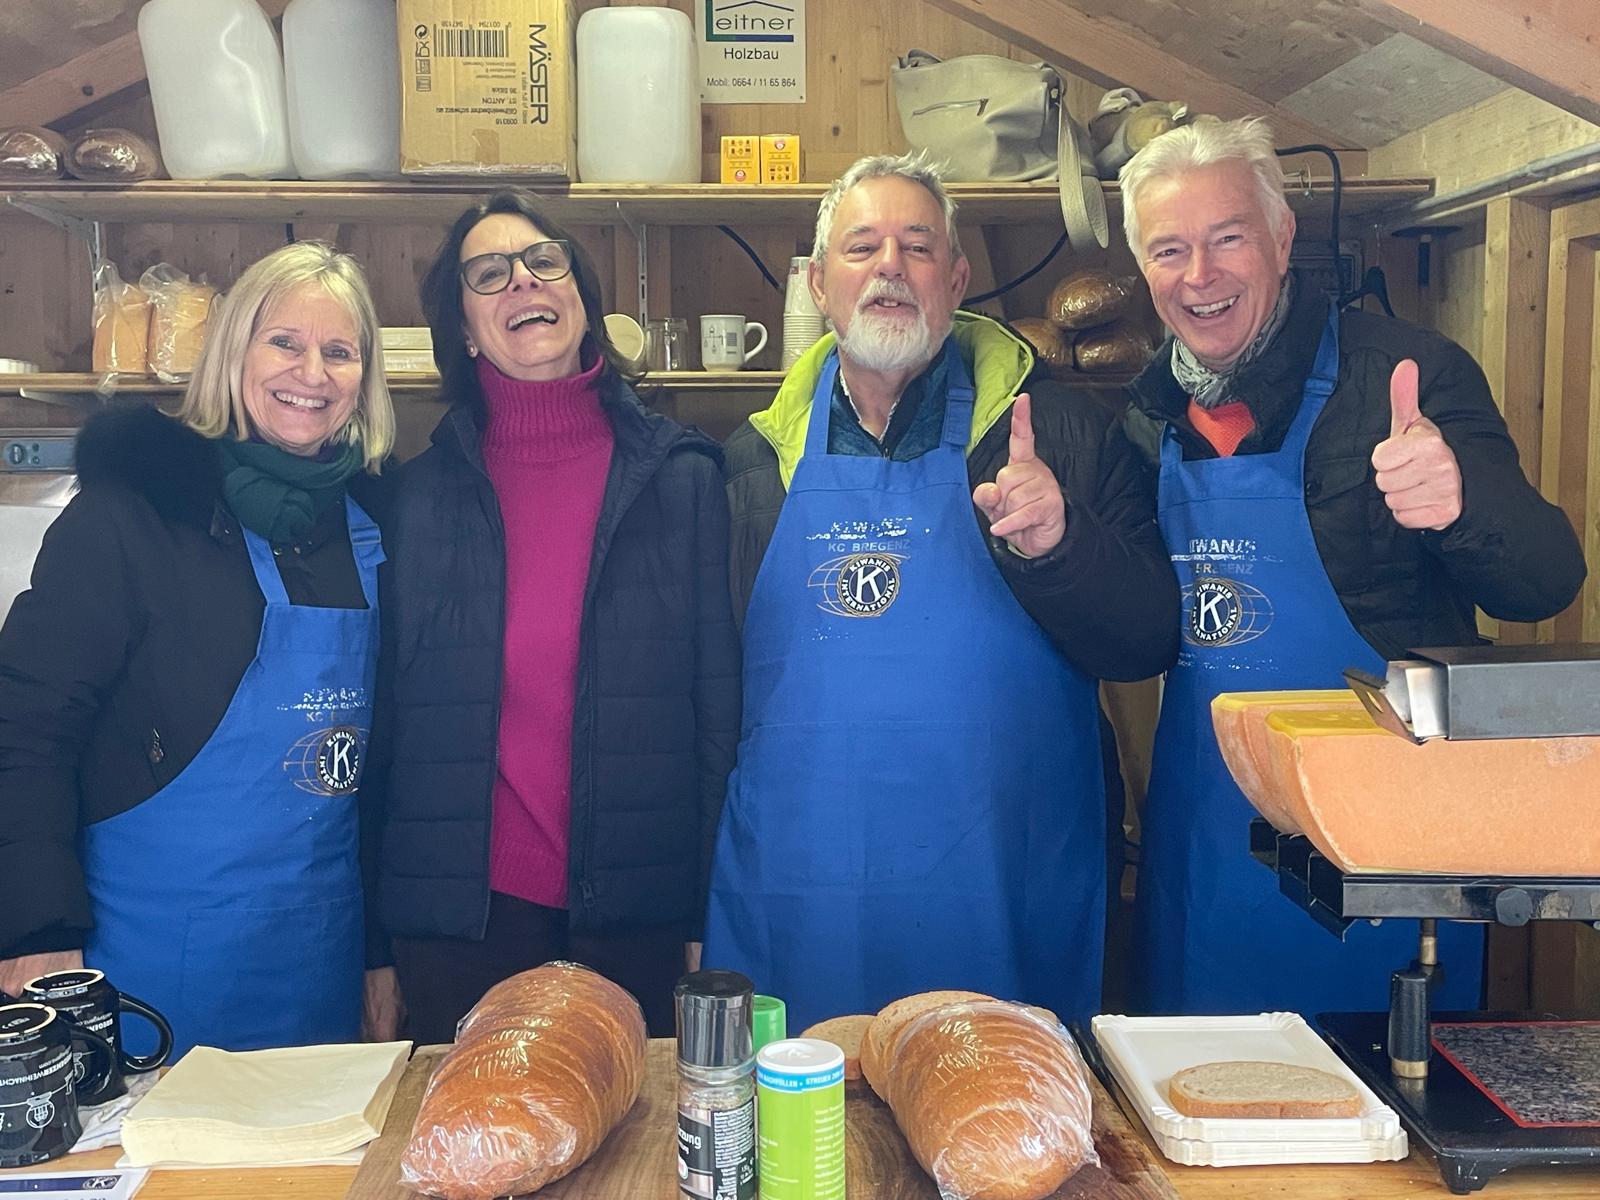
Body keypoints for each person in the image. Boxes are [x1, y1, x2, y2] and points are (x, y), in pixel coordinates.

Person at [703, 152, 1180, 1032]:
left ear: (956, 281)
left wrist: (1063, 545)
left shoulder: (1061, 434)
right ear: (818, 284)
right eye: (862, 247)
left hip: (1002, 896)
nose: (890, 266)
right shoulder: (748, 464)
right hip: (802, 899)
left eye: (918, 247)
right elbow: (709, 697)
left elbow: (1147, 639)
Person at [1121, 117, 1587, 1017]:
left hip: (1387, 850)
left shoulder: (1406, 374)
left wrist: (1460, 506)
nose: (1200, 274)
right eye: (1170, 249)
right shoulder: (1146, 415)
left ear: (1282, 238)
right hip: (1206, 832)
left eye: (1228, 238)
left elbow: (1545, 583)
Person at [0, 242, 399, 1054]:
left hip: (318, 963)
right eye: (284, 342)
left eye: (339, 351)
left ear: (365, 379)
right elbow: (25, 728)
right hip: (139, 963)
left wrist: (380, 955)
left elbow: (386, 776)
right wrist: (35, 929)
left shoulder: (375, 530)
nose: (312, 373)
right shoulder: (131, 516)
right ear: (233, 352)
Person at [367, 189, 739, 1041]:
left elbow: (716, 715)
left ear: (581, 297)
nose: (523, 282)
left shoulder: (682, 478)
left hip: (638, 911)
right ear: (464, 330)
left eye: (544, 260)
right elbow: (384, 734)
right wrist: (373, 947)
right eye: (488, 274)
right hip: (463, 922)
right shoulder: (414, 501)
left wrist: (702, 912)